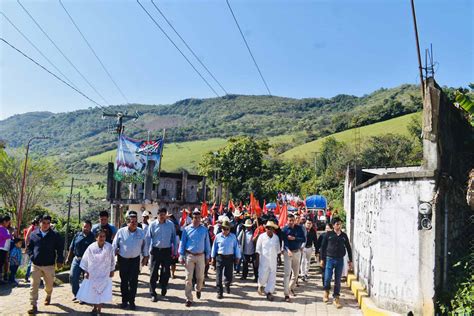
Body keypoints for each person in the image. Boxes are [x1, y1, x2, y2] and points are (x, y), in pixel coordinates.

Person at [27, 215, 64, 315]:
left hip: (49, 265)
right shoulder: (34, 234)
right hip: (36, 264)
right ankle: (33, 305)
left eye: (48, 223)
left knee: (49, 285)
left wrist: (60, 260)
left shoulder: (55, 235)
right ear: (40, 223)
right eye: (44, 223)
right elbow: (30, 247)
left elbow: (60, 249)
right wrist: (31, 256)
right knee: (34, 285)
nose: (46, 225)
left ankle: (48, 294)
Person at [112, 211, 149, 310]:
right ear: (128, 222)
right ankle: (124, 301)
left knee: (133, 281)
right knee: (124, 281)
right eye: (132, 222)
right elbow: (114, 245)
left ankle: (132, 301)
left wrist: (145, 257)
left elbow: (145, 245)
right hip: (123, 260)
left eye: (135, 222)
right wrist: (113, 257)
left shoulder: (141, 232)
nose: (134, 224)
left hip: (135, 260)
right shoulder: (121, 231)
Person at [76, 229, 116, 314]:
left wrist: (112, 270)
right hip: (93, 273)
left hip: (105, 273)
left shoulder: (109, 247)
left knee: (103, 291)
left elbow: (112, 259)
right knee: (93, 291)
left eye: (103, 236)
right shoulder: (91, 247)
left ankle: (99, 310)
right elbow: (85, 260)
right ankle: (94, 307)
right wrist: (86, 271)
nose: (102, 238)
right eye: (100, 236)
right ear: (96, 237)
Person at [178, 209, 211, 307]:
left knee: (200, 277)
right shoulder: (186, 229)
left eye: (198, 218)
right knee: (188, 278)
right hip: (189, 256)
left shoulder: (204, 230)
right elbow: (182, 243)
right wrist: (181, 255)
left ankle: (198, 288)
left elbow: (207, 244)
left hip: (201, 256)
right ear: (192, 218)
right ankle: (188, 298)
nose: (196, 219)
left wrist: (208, 256)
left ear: (201, 218)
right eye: (195, 218)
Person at [320, 217, 353, 309]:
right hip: (329, 259)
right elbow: (323, 247)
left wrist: (350, 260)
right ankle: (326, 292)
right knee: (327, 278)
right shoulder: (328, 234)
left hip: (340, 260)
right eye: (337, 224)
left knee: (338, 280)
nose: (339, 226)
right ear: (333, 225)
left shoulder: (344, 235)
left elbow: (349, 248)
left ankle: (336, 298)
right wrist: (322, 259)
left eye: (340, 224)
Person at [146, 207, 177, 302]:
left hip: (166, 251)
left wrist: (175, 251)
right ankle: (153, 293)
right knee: (153, 272)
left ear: (166, 215)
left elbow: (173, 238)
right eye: (161, 215)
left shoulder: (170, 225)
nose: (162, 217)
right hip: (155, 251)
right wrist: (147, 252)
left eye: (164, 215)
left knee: (165, 272)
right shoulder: (152, 225)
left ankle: (164, 286)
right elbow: (148, 238)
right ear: (158, 215)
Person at [211, 219, 241, 299]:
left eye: (227, 229)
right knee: (218, 276)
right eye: (224, 228)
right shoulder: (217, 237)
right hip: (220, 257)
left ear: (229, 229)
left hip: (229, 258)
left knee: (229, 275)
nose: (226, 230)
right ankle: (219, 292)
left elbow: (236, 248)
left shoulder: (233, 237)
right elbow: (214, 248)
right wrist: (212, 258)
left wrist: (237, 257)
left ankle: (227, 284)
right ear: (222, 228)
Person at [67, 220, 95, 301]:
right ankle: (77, 294)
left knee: (86, 279)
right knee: (72, 277)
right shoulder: (77, 235)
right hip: (77, 259)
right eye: (84, 226)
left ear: (90, 228)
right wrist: (68, 258)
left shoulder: (93, 237)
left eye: (87, 227)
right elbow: (71, 247)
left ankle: (83, 296)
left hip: (88, 261)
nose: (85, 228)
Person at [281, 213, 305, 302]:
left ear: (295, 220)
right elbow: (285, 243)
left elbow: (303, 239)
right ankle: (286, 294)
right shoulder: (284, 230)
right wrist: (287, 250)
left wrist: (295, 238)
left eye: (292, 220)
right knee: (287, 274)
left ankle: (290, 287)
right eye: (289, 220)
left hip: (297, 252)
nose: (291, 222)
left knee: (296, 274)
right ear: (287, 221)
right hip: (288, 253)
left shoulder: (299, 228)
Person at [256, 221, 280, 301]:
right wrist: (257, 260)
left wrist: (279, 259)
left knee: (272, 277)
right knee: (262, 276)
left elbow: (278, 250)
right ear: (265, 229)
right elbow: (258, 250)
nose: (269, 230)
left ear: (273, 229)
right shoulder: (261, 237)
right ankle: (260, 285)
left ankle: (269, 292)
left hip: (273, 260)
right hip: (264, 260)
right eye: (267, 228)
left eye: (271, 228)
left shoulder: (276, 238)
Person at [24, 216, 41, 283]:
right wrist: (26, 247)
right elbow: (27, 237)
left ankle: (34, 276)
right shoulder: (32, 227)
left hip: (37, 247)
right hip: (31, 246)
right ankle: (27, 276)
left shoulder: (40, 227)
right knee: (32, 260)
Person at [0, 215, 12, 283]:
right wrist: (12, 235)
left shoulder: (5, 229)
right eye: (8, 222)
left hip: (4, 249)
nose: (9, 224)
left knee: (2, 263)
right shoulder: (1, 228)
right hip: (1, 248)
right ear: (4, 221)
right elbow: (5, 236)